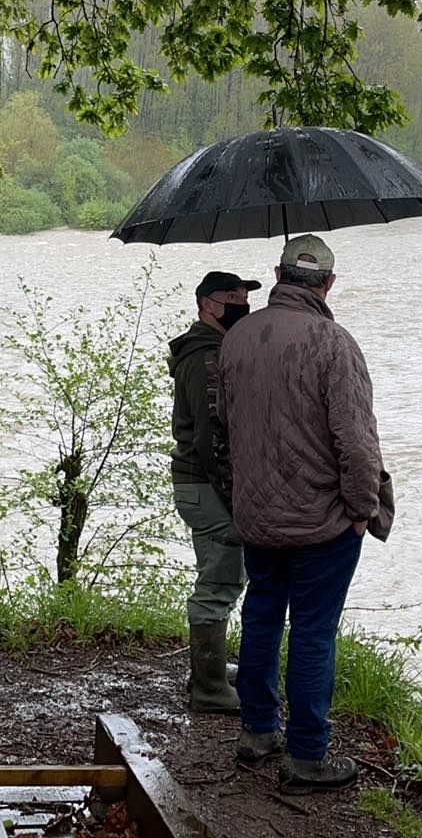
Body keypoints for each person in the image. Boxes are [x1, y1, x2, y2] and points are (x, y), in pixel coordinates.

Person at [217, 234, 392, 792]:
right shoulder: (333, 342)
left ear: (277, 274)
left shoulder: (237, 337)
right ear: (328, 284)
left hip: (258, 519)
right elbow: (357, 444)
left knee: (262, 617)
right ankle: (308, 755)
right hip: (322, 524)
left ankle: (257, 732)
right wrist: (362, 511)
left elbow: (225, 429)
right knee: (314, 633)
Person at [167, 269, 260, 713]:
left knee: (220, 573)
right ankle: (208, 688)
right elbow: (212, 439)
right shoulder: (206, 357)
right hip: (206, 485)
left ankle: (210, 670)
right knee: (221, 580)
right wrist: (235, 496)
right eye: (231, 296)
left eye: (244, 295)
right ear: (207, 304)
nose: (241, 303)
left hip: (195, 485)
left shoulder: (212, 350)